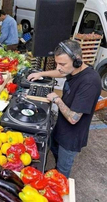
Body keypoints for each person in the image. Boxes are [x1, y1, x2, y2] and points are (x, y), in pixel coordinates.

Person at [27, 39, 101, 178]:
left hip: (72, 137)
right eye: (57, 63)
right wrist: (41, 74)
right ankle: (55, 171)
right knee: (54, 151)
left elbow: (74, 118)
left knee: (62, 171)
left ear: (77, 60)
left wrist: (56, 99)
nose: (59, 67)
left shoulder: (90, 82)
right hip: (61, 128)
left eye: (62, 64)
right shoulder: (73, 69)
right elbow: (61, 73)